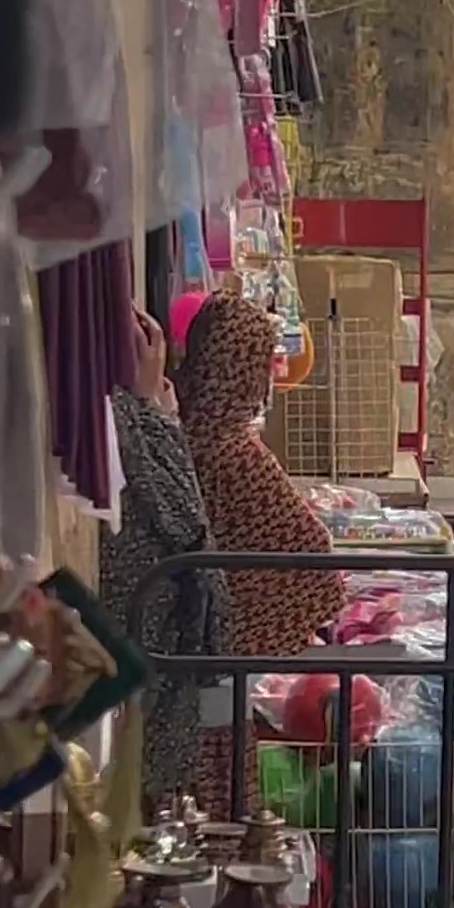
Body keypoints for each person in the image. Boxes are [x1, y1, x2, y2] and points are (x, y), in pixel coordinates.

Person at [177, 291, 344, 816]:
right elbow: (308, 551)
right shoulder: (235, 452)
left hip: (182, 647)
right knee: (222, 799)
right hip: (219, 654)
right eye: (264, 363)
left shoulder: (178, 432)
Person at [101, 309, 229, 809]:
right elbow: (185, 517)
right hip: (148, 629)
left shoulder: (133, 422)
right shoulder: (124, 423)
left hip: (156, 629)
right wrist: (157, 416)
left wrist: (158, 415)